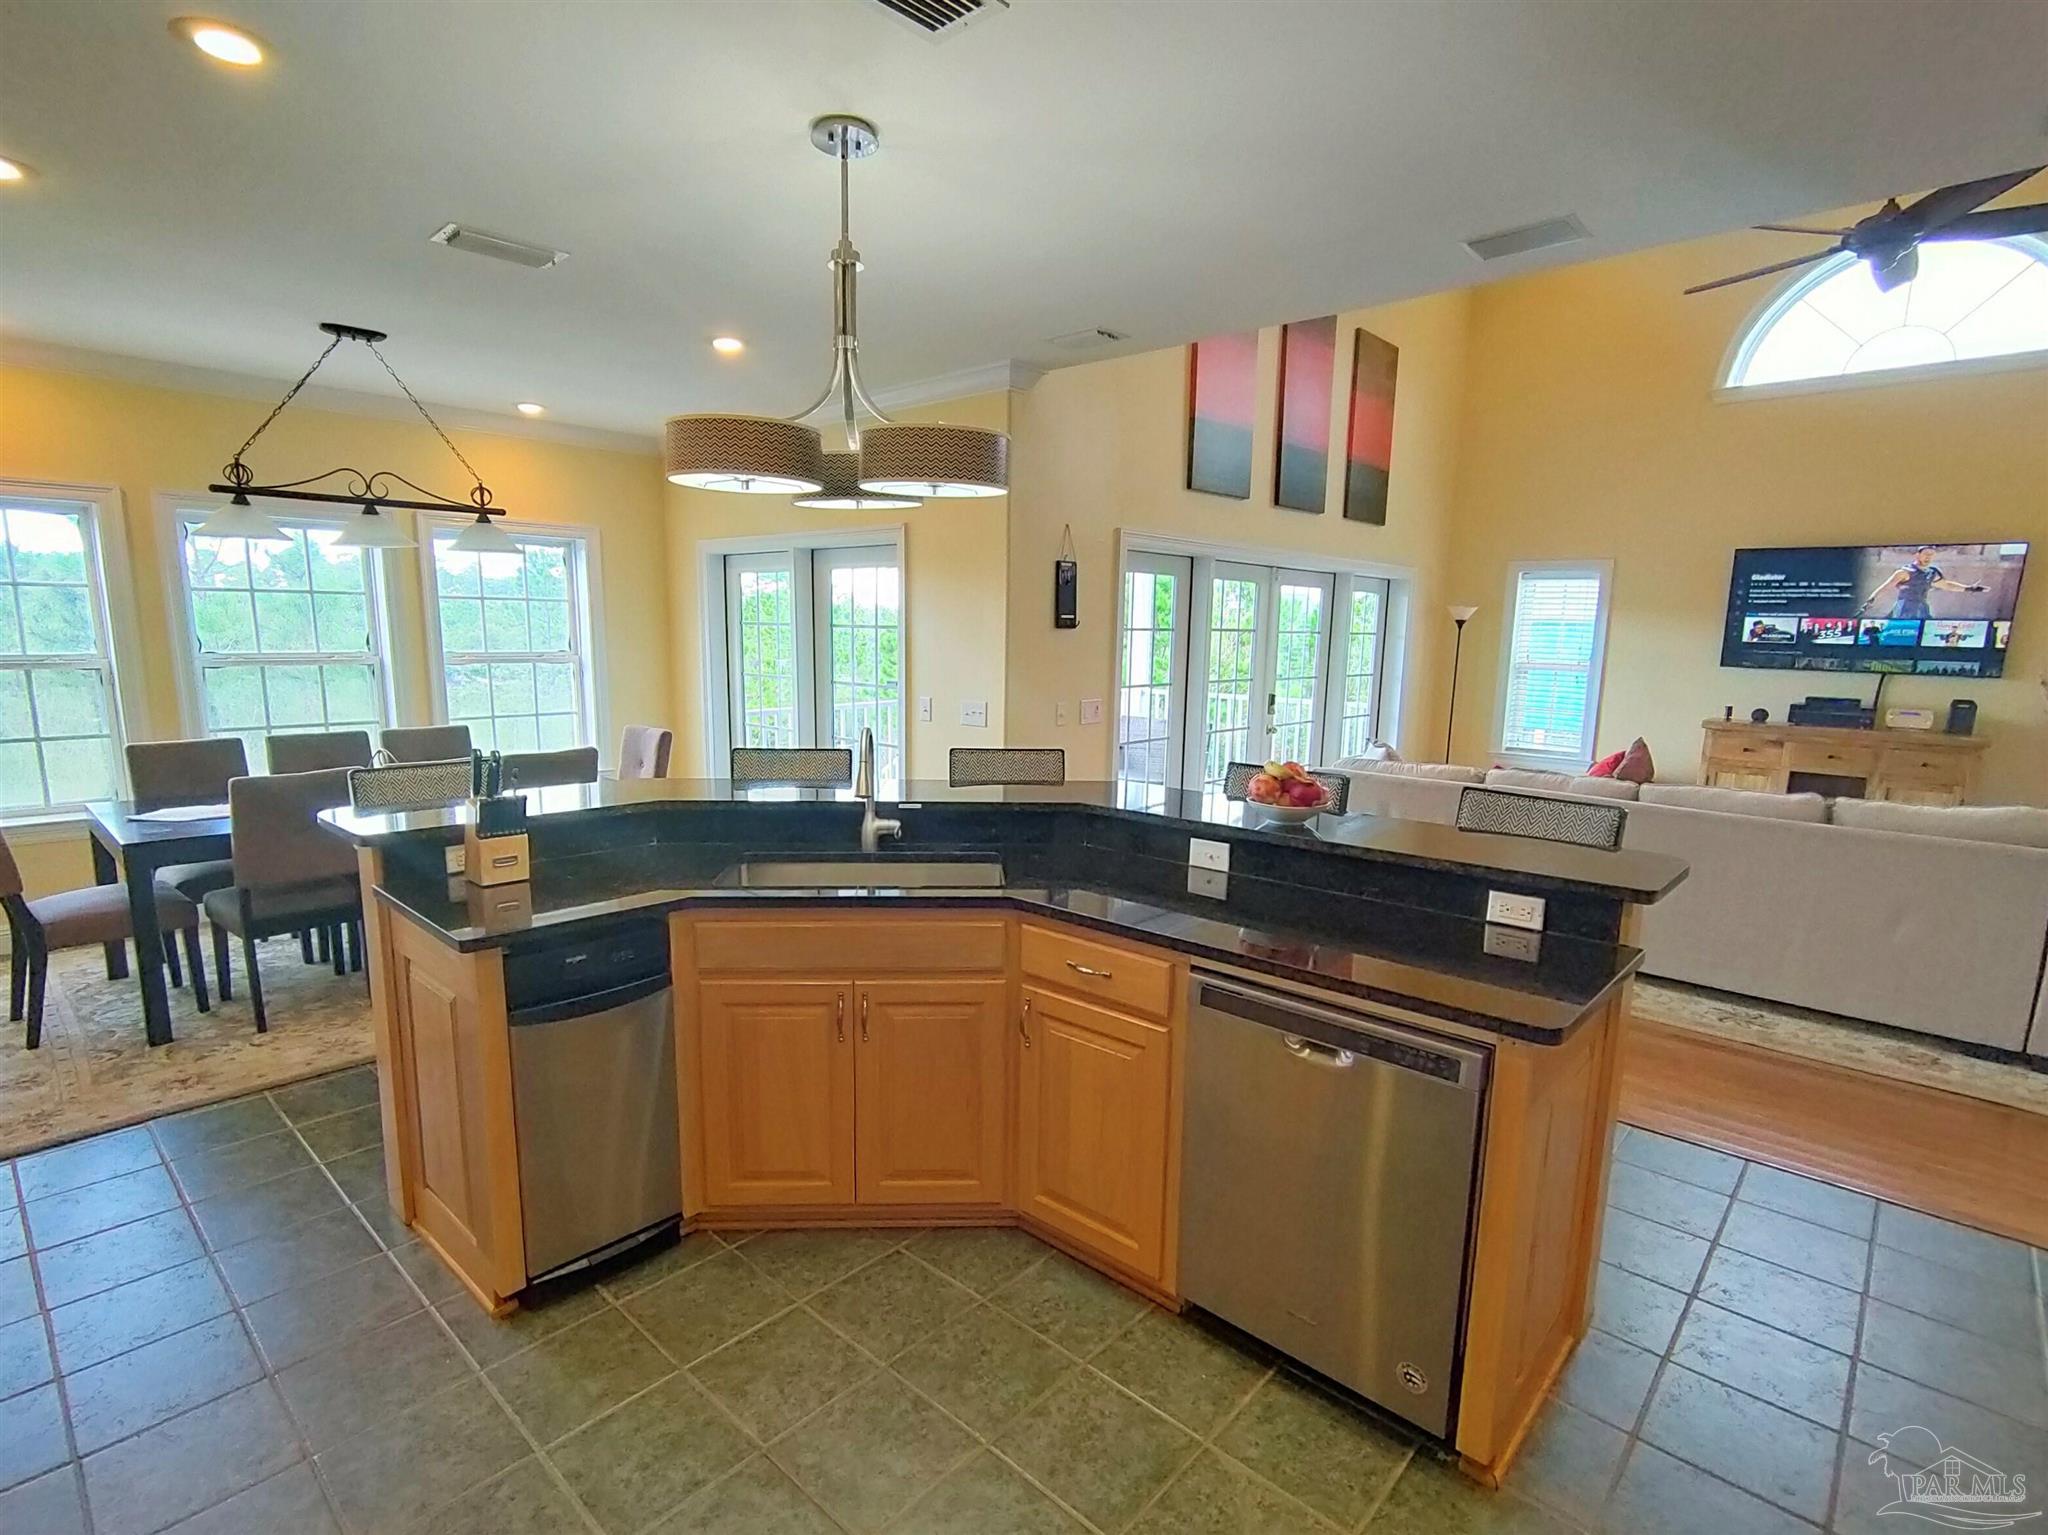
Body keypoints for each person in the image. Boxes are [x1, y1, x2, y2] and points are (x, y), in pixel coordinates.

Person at [1856, 547, 1986, 620]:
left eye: (1931, 555)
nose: (1928, 557)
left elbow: (1946, 585)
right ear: (1917, 555)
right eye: (1926, 554)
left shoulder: (1932, 572)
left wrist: (1970, 588)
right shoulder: (1905, 572)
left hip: (1922, 607)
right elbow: (1886, 587)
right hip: (1905, 607)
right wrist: (1870, 600)